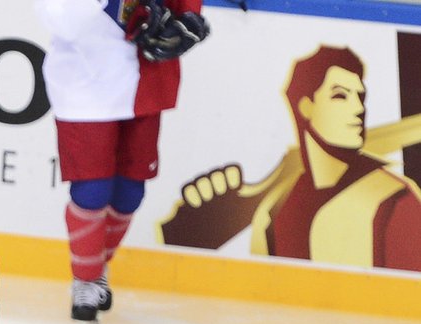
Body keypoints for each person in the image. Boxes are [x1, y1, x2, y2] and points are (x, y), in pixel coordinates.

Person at [160, 45, 421, 270]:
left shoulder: (395, 203)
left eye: (360, 97)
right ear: (306, 105)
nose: (358, 109)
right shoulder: (273, 211)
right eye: (341, 96)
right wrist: (188, 233)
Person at [36, 0, 208, 321]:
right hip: (83, 85)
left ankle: (95, 268)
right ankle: (85, 280)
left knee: (130, 193)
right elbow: (63, 23)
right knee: (93, 192)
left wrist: (189, 17)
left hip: (144, 76)